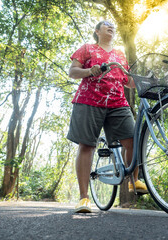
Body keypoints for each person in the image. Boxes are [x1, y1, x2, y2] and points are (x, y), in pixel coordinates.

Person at [67, 20, 148, 213]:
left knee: (132, 140)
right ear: (97, 31)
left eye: (113, 25)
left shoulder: (119, 54)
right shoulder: (87, 49)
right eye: (106, 25)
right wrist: (89, 70)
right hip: (89, 101)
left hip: (117, 103)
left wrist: (145, 80)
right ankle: (84, 198)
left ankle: (133, 180)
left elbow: (127, 81)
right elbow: (72, 71)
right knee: (87, 145)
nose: (111, 27)